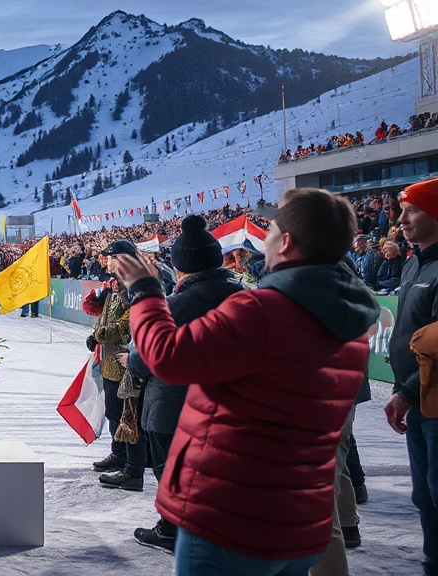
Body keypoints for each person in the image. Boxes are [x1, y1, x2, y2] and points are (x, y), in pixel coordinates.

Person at [113, 188, 373, 574]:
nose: (261, 242)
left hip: (233, 515)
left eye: (268, 232)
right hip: (299, 516)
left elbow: (166, 357)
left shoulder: (260, 311)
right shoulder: (350, 326)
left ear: (286, 243)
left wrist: (146, 292)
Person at [128, 216, 243, 554]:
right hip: (231, 402)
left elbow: (147, 351)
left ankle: (172, 530)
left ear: (180, 267)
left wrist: (131, 362)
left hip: (175, 403)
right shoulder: (244, 294)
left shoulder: (178, 304)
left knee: (173, 471)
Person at [387, 177, 438, 576]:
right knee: (424, 495)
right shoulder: (411, 264)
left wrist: (405, 392)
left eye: (413, 210)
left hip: (433, 401)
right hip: (417, 400)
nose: (401, 219)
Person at [84, 239, 138, 484]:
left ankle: (130, 460)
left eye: (110, 256)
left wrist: (100, 335)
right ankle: (118, 453)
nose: (105, 261)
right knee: (113, 411)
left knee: (125, 412)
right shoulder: (115, 284)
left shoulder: (133, 284)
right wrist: (96, 334)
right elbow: (109, 316)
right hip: (110, 359)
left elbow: (129, 320)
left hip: (125, 359)